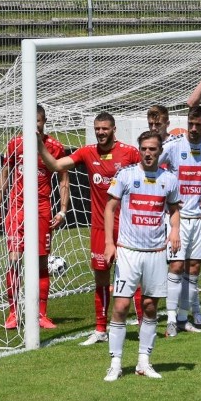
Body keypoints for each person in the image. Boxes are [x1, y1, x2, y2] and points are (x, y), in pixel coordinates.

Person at [37, 111, 141, 345]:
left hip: (127, 227)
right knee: (101, 278)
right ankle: (101, 329)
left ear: (114, 129)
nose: (101, 132)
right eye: (98, 129)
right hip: (99, 228)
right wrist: (38, 145)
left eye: (105, 128)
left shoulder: (130, 153)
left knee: (134, 277)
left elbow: (149, 173)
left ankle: (144, 324)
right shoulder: (87, 152)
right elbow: (55, 165)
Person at [102, 130, 181, 382]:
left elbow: (174, 208)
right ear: (140, 150)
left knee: (149, 307)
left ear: (159, 151)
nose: (148, 153)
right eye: (145, 149)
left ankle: (143, 362)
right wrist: (109, 243)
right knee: (122, 306)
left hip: (156, 253)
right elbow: (110, 207)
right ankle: (115, 363)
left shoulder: (169, 179)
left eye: (153, 149)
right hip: (128, 252)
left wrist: (175, 231)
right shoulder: (126, 175)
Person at [0, 104, 70, 330]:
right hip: (17, 210)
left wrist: (63, 210)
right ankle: (13, 312)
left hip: (42, 210)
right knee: (14, 260)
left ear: (44, 121)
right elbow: (4, 176)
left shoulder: (54, 147)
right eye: (29, 120)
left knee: (41, 262)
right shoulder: (15, 144)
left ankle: (40, 314)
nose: (33, 125)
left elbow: (64, 179)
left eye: (37, 121)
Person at [159, 104, 201, 336]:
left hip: (199, 217)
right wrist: (166, 196)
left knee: (194, 268)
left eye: (198, 124)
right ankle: (170, 318)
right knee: (176, 266)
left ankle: (182, 318)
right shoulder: (173, 145)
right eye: (191, 123)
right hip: (178, 217)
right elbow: (151, 166)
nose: (194, 128)